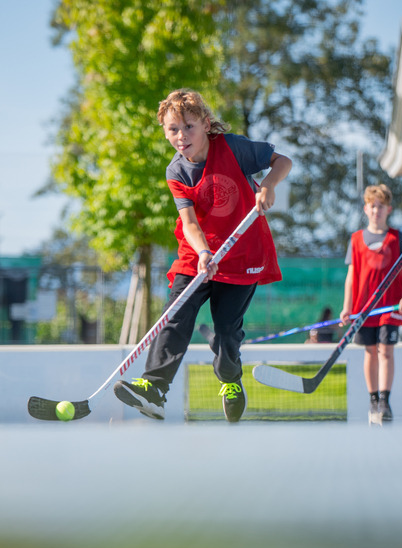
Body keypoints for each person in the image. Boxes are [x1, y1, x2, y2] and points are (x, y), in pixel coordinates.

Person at [113, 89, 291, 423]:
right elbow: (190, 223)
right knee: (175, 316)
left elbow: (283, 161)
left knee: (226, 333)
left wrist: (268, 185)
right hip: (198, 255)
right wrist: (204, 252)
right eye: (173, 130)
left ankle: (231, 380)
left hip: (242, 254)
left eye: (189, 127)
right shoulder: (176, 172)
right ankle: (154, 389)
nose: (181, 137)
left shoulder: (234, 148)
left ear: (206, 124)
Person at [339, 184, 402, 424]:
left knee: (386, 350)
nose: (376, 211)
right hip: (364, 308)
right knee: (370, 351)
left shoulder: (398, 237)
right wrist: (347, 307)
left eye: (381, 207)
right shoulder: (356, 240)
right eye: (373, 206)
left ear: (388, 209)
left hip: (389, 307)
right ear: (366, 209)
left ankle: (385, 400)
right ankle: (373, 399)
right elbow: (351, 277)